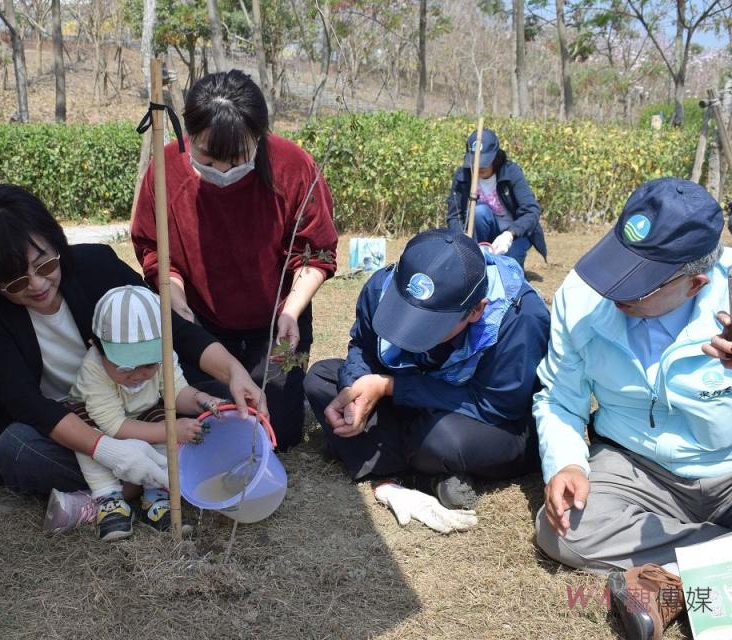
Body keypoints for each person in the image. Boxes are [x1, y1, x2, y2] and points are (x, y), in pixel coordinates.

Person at [0, 184, 266, 501]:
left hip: (145, 401)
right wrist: (110, 451)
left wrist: (232, 371)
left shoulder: (95, 266)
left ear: (55, 243)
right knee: (16, 448)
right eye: (15, 281)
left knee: (231, 403)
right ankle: (153, 477)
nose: (38, 284)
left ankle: (125, 487)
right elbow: (24, 400)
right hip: (70, 422)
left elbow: (175, 330)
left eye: (44, 264)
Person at [534, 177, 731, 640]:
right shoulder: (580, 296)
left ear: (694, 283)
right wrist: (566, 462)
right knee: (561, 530)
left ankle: (672, 580)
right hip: (635, 467)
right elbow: (560, 397)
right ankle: (714, 558)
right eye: (617, 261)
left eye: (638, 284)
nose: (613, 287)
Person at [131, 69, 338, 451]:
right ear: (188, 136)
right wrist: (174, 297)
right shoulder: (165, 169)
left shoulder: (292, 165)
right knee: (205, 414)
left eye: (238, 157)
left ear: (259, 137)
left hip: (278, 321)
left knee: (279, 430)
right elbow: (155, 251)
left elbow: (316, 251)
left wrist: (291, 310)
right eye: (209, 157)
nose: (223, 170)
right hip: (201, 321)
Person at [304, 229, 550, 514]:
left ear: (476, 311)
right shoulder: (380, 286)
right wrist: (355, 389)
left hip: (480, 417)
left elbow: (497, 406)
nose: (413, 333)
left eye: (431, 325)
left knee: (441, 439)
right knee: (321, 379)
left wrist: (391, 387)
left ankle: (412, 462)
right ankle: (431, 471)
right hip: (415, 402)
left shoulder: (520, 317)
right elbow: (363, 345)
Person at [45, 285, 225, 540]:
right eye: (125, 365)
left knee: (164, 417)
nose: (138, 374)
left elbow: (177, 393)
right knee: (86, 440)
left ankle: (156, 497)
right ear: (96, 347)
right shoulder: (93, 370)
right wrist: (172, 430)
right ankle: (108, 498)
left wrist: (202, 400)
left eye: (149, 363)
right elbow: (114, 426)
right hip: (100, 425)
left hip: (143, 415)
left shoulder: (165, 357)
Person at [446, 129, 547, 269]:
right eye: (476, 162)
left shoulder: (511, 172)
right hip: (483, 230)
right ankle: (477, 260)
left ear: (496, 157)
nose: (480, 167)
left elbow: (532, 210)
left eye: (485, 162)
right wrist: (462, 243)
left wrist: (510, 234)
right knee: (479, 211)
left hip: (515, 234)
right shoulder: (462, 177)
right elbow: (454, 216)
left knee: (507, 266)